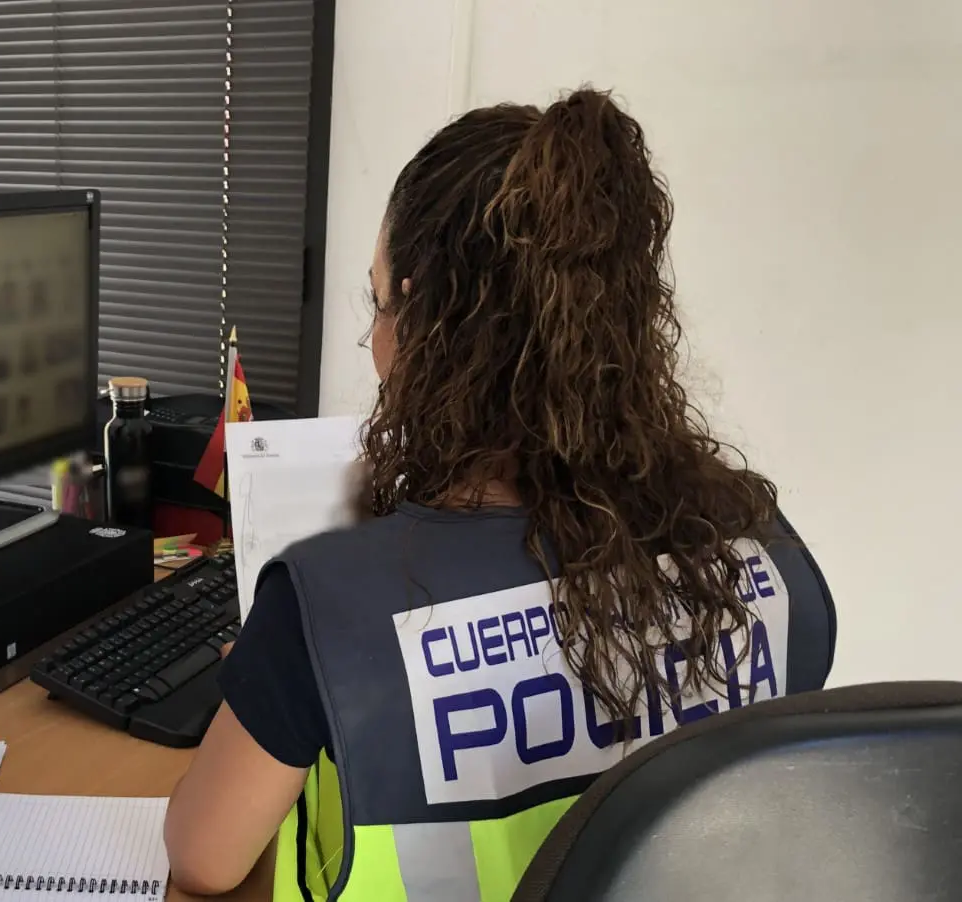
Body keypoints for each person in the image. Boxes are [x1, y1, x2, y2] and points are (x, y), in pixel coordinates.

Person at [165, 89, 836, 901]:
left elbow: (203, 859)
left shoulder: (328, 606)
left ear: (425, 327)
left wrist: (274, 681)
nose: (375, 340)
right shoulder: (759, 548)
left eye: (381, 303)